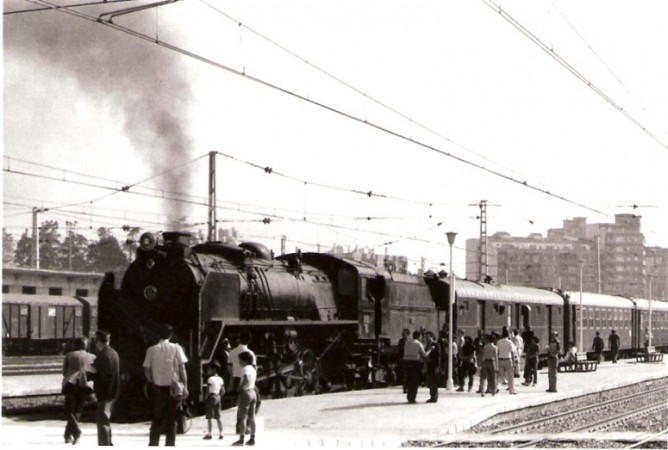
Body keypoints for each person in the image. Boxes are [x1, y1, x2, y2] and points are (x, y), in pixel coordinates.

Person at [143, 323, 189, 447]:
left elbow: (147, 371)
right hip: (174, 389)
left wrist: (153, 382)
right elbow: (182, 368)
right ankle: (170, 444)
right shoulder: (176, 348)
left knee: (157, 418)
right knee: (172, 419)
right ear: (171, 335)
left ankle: (153, 444)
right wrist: (185, 385)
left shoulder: (151, 349)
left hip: (158, 388)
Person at [61, 337, 96, 445]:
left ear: (75, 345)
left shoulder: (69, 355)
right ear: (85, 345)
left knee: (69, 409)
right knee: (77, 410)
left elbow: (64, 371)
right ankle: (68, 436)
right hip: (85, 385)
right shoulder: (92, 357)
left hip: (71, 384)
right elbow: (94, 371)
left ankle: (76, 432)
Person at [92, 329, 120, 446]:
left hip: (105, 393)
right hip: (113, 392)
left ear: (98, 341)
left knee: (102, 422)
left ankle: (104, 445)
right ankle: (108, 444)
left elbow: (102, 376)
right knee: (106, 420)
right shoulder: (114, 353)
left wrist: (95, 392)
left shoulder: (103, 355)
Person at [232, 351, 257, 446]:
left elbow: (246, 378)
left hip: (246, 392)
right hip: (253, 392)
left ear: (245, 361)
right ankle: (252, 438)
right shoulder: (253, 369)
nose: (239, 363)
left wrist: (240, 387)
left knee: (242, 417)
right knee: (252, 417)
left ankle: (241, 438)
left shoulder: (245, 369)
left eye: (240, 361)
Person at [402, 330, 427, 403]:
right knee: (415, 381)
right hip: (415, 363)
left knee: (409, 380)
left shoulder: (407, 342)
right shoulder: (419, 344)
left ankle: (409, 396)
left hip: (406, 362)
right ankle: (412, 397)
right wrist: (430, 350)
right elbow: (424, 354)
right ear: (419, 336)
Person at [203, 361, 225, 440]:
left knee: (210, 417)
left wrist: (205, 398)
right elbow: (223, 391)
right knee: (218, 416)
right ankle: (221, 433)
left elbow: (208, 390)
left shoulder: (210, 379)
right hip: (218, 397)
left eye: (209, 369)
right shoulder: (220, 379)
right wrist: (219, 397)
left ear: (214, 369)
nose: (207, 371)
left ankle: (209, 434)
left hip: (211, 397)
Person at [496, 328, 517, 394]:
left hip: (500, 360)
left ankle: (497, 387)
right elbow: (513, 352)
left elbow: (497, 352)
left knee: (500, 375)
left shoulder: (498, 342)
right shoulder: (510, 342)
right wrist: (514, 362)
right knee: (510, 376)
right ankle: (512, 390)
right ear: (508, 335)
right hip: (508, 360)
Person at [423, 331, 440, 403]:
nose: (426, 338)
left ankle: (434, 397)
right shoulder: (427, 345)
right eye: (425, 337)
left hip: (434, 366)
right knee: (430, 382)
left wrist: (437, 366)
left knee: (433, 382)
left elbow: (438, 356)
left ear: (431, 337)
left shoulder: (435, 345)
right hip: (429, 366)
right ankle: (432, 396)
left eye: (428, 337)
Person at [397, 328, 410, 393]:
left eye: (404, 334)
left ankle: (408, 387)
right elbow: (399, 350)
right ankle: (405, 387)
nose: (403, 335)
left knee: (409, 373)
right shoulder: (401, 341)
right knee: (404, 374)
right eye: (402, 334)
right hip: (403, 359)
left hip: (409, 359)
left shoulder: (410, 341)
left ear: (408, 334)